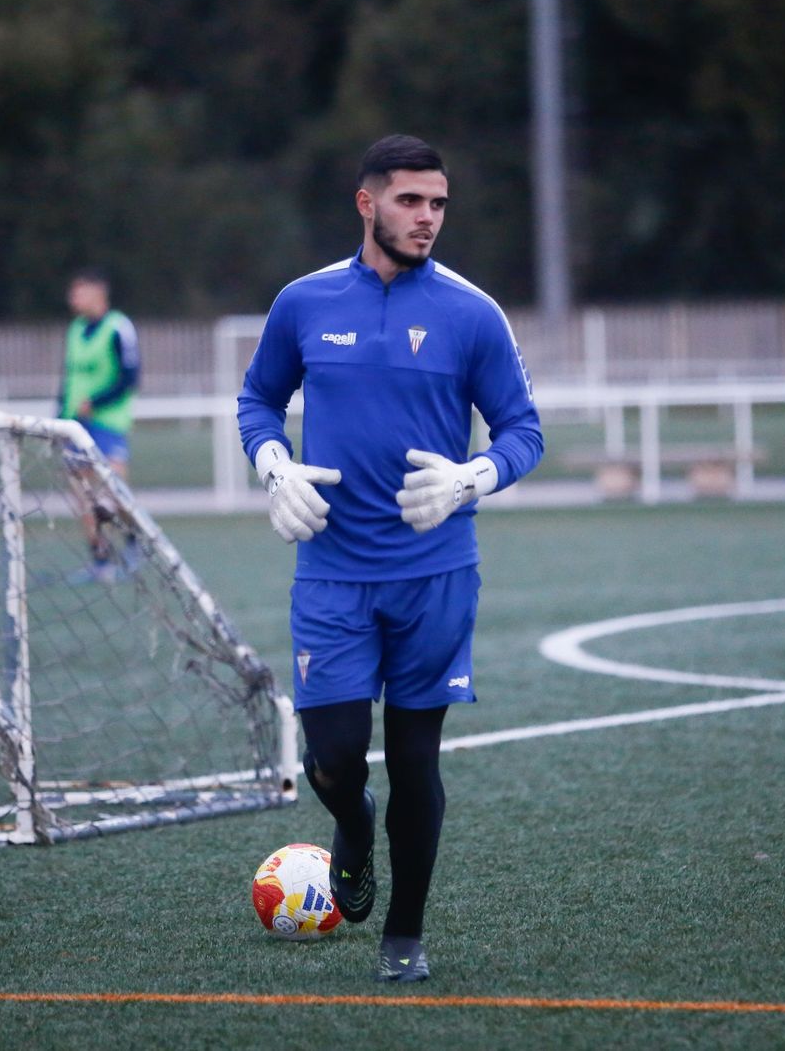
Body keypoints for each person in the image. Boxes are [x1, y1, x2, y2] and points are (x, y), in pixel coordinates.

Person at [237, 134, 543, 981]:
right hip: (332, 572)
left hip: (434, 575)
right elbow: (259, 400)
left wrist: (473, 476)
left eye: (438, 203)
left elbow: (524, 429)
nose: (428, 217)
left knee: (415, 760)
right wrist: (273, 466)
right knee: (332, 760)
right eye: (411, 200)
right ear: (367, 203)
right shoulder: (302, 302)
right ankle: (350, 817)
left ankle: (404, 934)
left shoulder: (473, 314)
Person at [56, 267, 141, 583]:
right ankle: (101, 559)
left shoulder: (119, 327)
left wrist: (96, 402)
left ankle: (134, 538)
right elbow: (69, 380)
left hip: (109, 423)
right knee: (84, 496)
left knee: (113, 493)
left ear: (98, 293)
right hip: (75, 425)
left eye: (79, 292)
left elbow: (130, 377)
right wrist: (59, 419)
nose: (73, 298)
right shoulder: (76, 329)